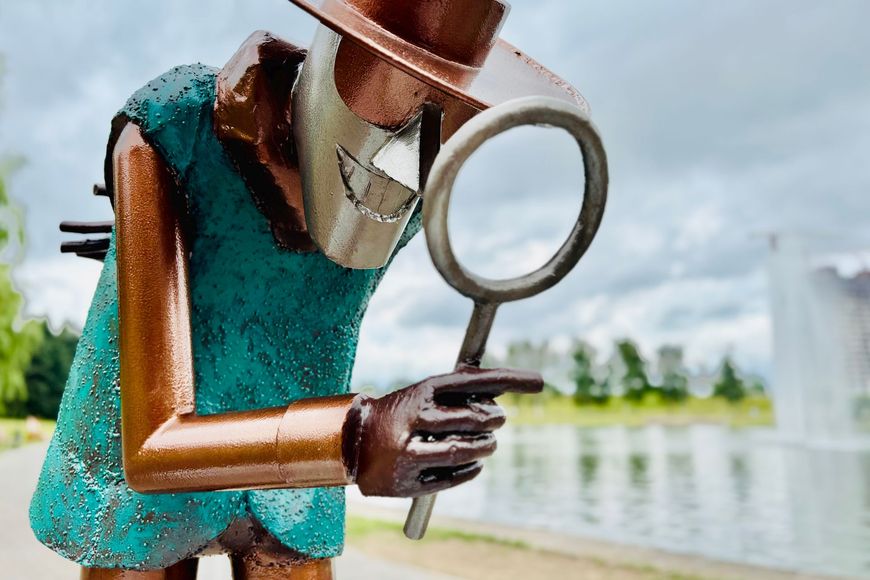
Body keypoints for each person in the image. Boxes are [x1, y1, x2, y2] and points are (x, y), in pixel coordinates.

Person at [31, 1, 592, 578]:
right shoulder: (174, 127)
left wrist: (209, 246)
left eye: (445, 117)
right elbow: (152, 447)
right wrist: (357, 437)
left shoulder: (413, 193)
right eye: (401, 93)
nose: (405, 160)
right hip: (142, 485)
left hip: (296, 488)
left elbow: (284, 279)